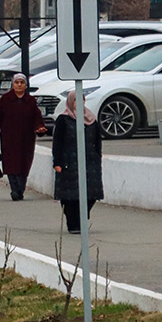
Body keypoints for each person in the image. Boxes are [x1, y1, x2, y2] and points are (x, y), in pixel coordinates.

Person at [52, 89, 103, 234]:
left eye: (82, 99)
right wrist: (57, 162)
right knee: (70, 196)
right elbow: (57, 142)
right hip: (68, 162)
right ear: (70, 102)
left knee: (91, 194)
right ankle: (73, 223)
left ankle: (82, 218)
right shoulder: (63, 119)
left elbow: (97, 140)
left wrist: (97, 157)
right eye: (75, 100)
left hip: (90, 163)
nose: (79, 103)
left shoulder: (91, 119)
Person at [0, 73, 45, 200]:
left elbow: (37, 118)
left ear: (26, 85)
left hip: (26, 139)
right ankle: (14, 189)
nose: (19, 85)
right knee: (10, 164)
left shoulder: (30, 101)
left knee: (24, 164)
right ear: (13, 84)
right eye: (17, 82)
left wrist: (40, 128)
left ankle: (20, 189)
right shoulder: (5, 100)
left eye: (22, 82)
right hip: (9, 138)